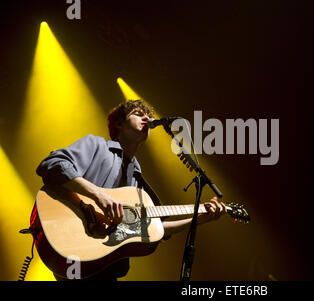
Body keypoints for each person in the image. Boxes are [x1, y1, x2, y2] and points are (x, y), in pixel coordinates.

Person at [34, 99, 226, 281]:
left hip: (105, 266)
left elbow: (151, 229)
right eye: (138, 114)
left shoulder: (137, 176)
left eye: (148, 115)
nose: (147, 119)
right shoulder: (97, 145)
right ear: (118, 124)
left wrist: (197, 219)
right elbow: (52, 164)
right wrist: (98, 195)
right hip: (73, 246)